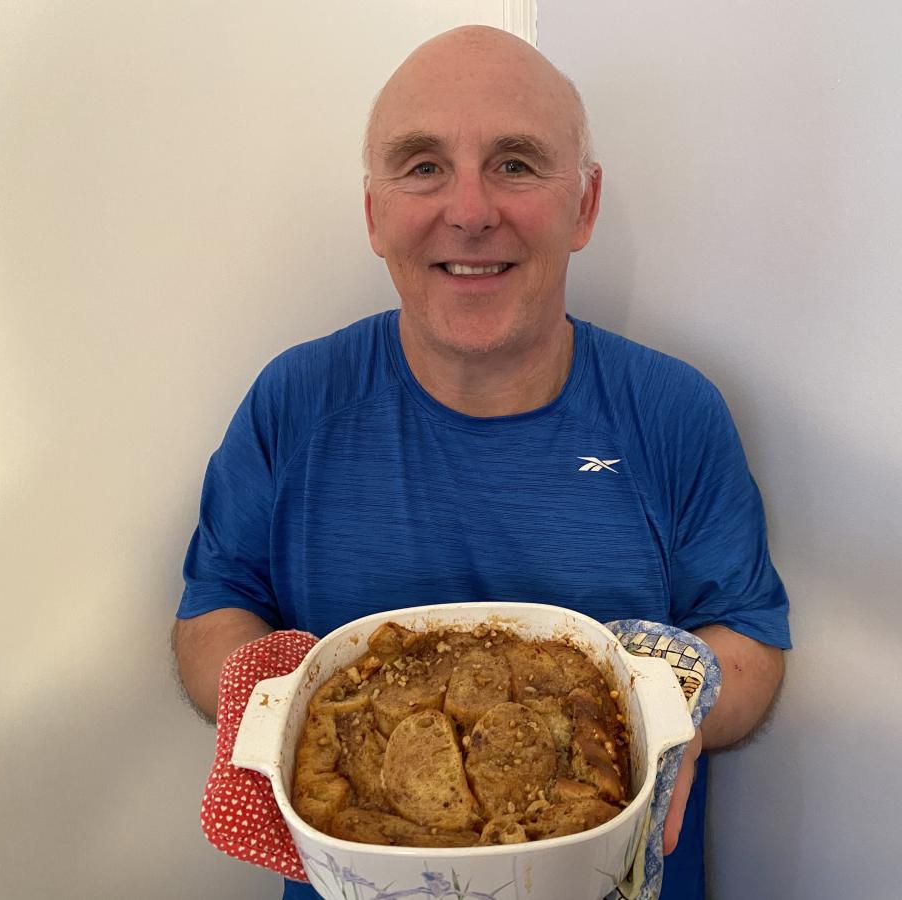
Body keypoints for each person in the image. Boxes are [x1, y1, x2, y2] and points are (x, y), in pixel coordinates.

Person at [173, 24, 789, 900]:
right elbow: (213, 612)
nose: (469, 210)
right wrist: (275, 701)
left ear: (583, 205)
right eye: (423, 164)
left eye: (515, 163)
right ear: (374, 212)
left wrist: (668, 719)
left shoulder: (674, 412)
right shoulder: (293, 401)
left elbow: (751, 642)